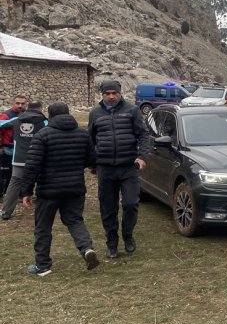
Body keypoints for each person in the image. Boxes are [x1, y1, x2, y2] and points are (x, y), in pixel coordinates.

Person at [21, 102, 99, 276]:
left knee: (43, 227)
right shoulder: (82, 134)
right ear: (68, 114)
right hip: (75, 188)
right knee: (75, 221)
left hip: (48, 190)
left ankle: (42, 266)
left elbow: (32, 166)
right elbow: (91, 159)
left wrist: (26, 191)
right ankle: (86, 249)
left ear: (49, 116)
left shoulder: (42, 135)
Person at [88, 80, 150, 259]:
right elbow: (90, 140)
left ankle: (128, 235)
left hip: (128, 167)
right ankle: (112, 243)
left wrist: (142, 156)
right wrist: (93, 163)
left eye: (114, 93)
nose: (111, 96)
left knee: (130, 204)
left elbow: (143, 135)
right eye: (107, 93)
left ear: (120, 93)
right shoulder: (95, 114)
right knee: (108, 208)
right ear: (102, 94)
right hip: (105, 168)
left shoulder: (132, 110)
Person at [0, 101, 48, 220]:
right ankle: (44, 210)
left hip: (19, 159)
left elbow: (1, 124)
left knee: (15, 182)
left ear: (27, 108)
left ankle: (6, 211)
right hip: (38, 158)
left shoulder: (16, 120)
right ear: (40, 109)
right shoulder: (44, 122)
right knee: (43, 181)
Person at [0, 95, 28, 195]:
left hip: (21, 150)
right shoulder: (6, 115)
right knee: (5, 173)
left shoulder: (28, 115)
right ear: (13, 103)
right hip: (7, 148)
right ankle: (2, 193)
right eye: (17, 103)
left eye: (22, 103)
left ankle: (17, 193)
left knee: (19, 173)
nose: (20, 105)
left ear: (26, 104)